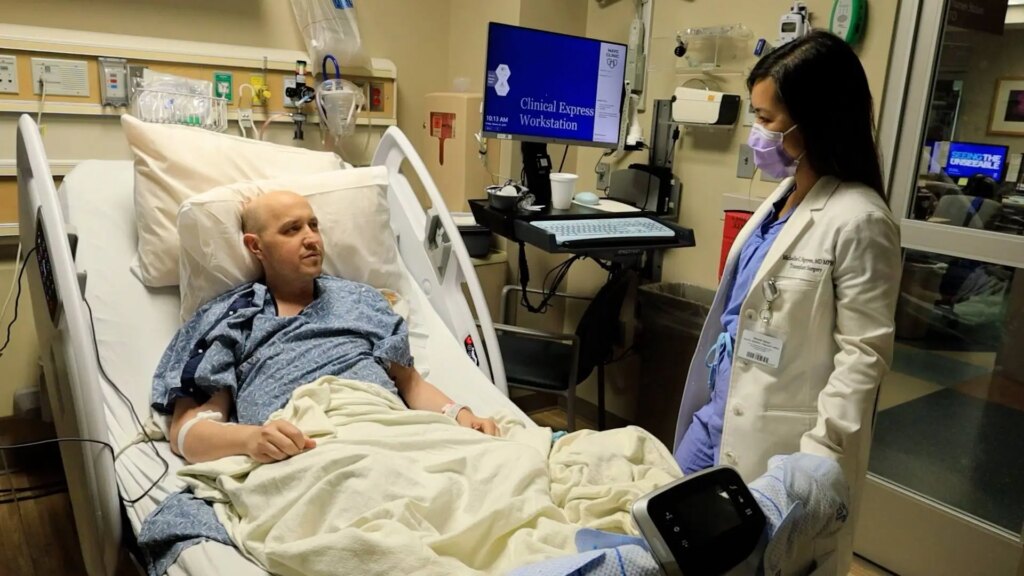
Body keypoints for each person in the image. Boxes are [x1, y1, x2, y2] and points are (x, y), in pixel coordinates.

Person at [672, 31, 900, 573]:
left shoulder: (860, 219)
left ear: (814, 121)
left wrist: (819, 459)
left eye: (767, 119)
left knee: (740, 560)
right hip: (717, 416)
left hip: (781, 439)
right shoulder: (783, 198)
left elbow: (864, 355)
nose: (757, 133)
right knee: (676, 540)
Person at [151, 190, 498, 465]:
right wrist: (251, 439)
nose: (312, 239)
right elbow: (187, 433)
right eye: (292, 229)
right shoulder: (231, 318)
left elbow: (410, 383)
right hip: (306, 448)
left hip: (386, 428)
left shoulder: (362, 300)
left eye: (313, 226)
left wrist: (460, 415)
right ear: (256, 246)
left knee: (500, 466)